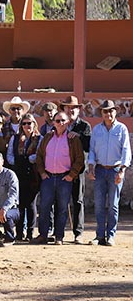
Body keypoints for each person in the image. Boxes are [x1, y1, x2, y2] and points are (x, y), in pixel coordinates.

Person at [33, 111, 84, 245]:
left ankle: (59, 237)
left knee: (62, 209)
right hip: (48, 177)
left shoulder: (73, 139)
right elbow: (39, 156)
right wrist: (42, 173)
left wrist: (71, 175)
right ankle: (43, 235)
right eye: (57, 121)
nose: (60, 123)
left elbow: (79, 159)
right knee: (44, 207)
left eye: (63, 121)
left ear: (67, 122)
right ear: (53, 123)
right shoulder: (47, 137)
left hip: (64, 178)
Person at [88, 100, 131, 246]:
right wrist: (91, 166)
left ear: (115, 111)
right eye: (105, 111)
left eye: (111, 110)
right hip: (100, 169)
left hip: (115, 170)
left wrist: (122, 170)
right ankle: (100, 235)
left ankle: (111, 235)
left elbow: (126, 150)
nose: (108, 114)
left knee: (113, 205)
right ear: (102, 113)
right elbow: (92, 150)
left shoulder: (122, 129)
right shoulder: (96, 130)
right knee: (99, 205)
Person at [60, 95, 91, 244]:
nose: (71, 110)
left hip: (78, 169)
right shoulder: (61, 125)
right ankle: (58, 232)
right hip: (61, 168)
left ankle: (78, 233)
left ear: (78, 110)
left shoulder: (84, 126)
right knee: (59, 201)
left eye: (74, 108)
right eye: (68, 107)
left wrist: (78, 136)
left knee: (77, 200)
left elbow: (88, 145)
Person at [6, 113, 42, 241]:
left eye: (29, 123)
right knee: (20, 204)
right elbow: (9, 156)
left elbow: (38, 155)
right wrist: (19, 161)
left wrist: (25, 159)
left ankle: (31, 232)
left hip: (33, 175)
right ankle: (20, 232)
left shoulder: (39, 138)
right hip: (18, 174)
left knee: (31, 204)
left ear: (34, 124)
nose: (27, 126)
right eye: (24, 123)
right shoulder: (15, 139)